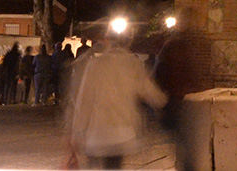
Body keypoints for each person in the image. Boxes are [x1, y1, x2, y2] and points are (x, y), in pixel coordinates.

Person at [65, 25, 166, 170]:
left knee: (93, 166)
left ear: (107, 40)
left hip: (97, 134)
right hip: (121, 134)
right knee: (113, 166)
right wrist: (163, 101)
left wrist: (77, 132)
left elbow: (84, 101)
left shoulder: (95, 65)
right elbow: (150, 92)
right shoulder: (132, 64)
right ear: (129, 41)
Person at [154, 11, 210, 171]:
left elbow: (159, 74)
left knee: (186, 147)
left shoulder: (174, 46)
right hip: (188, 102)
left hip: (180, 102)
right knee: (190, 146)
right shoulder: (193, 45)